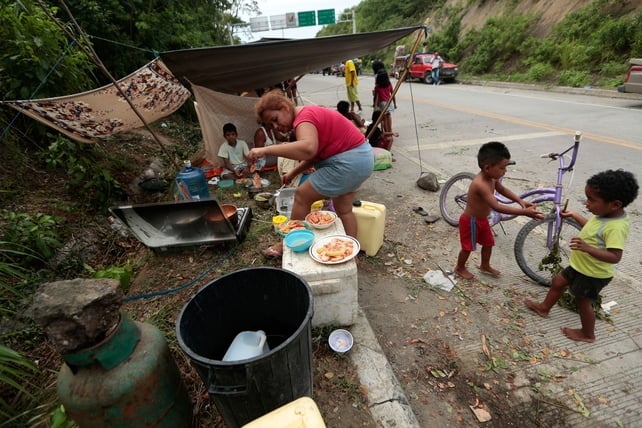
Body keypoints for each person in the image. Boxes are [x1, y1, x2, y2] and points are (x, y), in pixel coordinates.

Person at [246, 92, 374, 258]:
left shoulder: (303, 118)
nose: (275, 127)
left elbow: (308, 148)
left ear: (285, 108)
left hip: (348, 161)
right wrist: (294, 172)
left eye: (275, 119)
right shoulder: (308, 116)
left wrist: (265, 150)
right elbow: (315, 154)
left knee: (301, 195)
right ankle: (351, 255)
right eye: (271, 125)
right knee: (344, 210)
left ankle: (286, 243)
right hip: (362, 159)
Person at [524, 169, 638, 343]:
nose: (587, 203)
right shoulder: (603, 214)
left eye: (592, 200)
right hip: (580, 266)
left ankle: (588, 334)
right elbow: (592, 229)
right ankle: (544, 308)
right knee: (558, 282)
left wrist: (588, 248)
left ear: (615, 204)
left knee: (583, 301)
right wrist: (575, 216)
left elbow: (615, 257)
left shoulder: (616, 227)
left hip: (593, 274)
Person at [454, 142, 544, 280]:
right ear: (487, 167)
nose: (505, 171)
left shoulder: (492, 178)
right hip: (471, 221)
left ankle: (485, 265)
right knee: (468, 248)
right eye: (502, 168)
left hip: (482, 220)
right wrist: (524, 212)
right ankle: (459, 268)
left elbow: (502, 190)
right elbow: (497, 207)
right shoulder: (481, 184)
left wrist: (520, 201)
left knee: (488, 243)